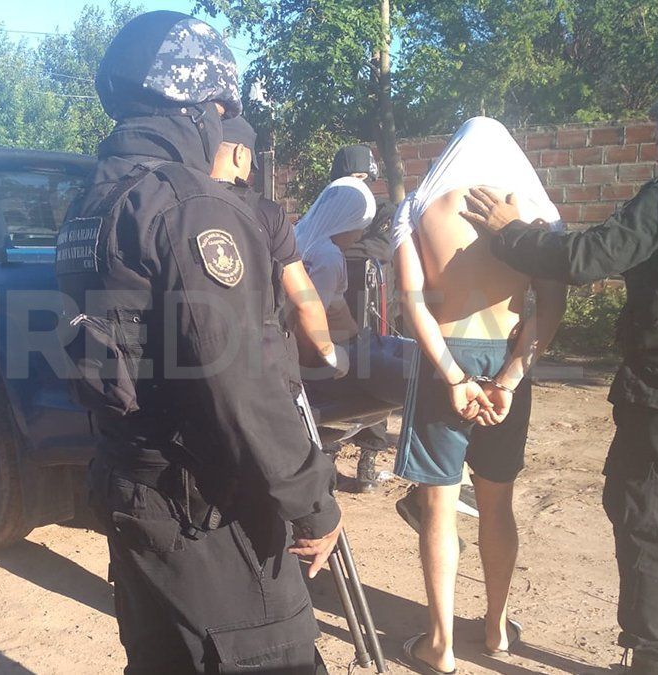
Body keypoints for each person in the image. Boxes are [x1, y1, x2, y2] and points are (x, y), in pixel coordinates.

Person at [56, 11, 342, 673]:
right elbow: (241, 382)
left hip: (135, 494)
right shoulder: (190, 206)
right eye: (218, 106)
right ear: (195, 108)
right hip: (209, 513)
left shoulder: (92, 204)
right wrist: (314, 502)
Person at [462, 84, 658, 675]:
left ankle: (654, 658)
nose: (655, 150)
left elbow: (584, 259)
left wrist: (510, 232)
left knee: (650, 522)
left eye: (656, 138)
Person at [393, 116, 568, 674]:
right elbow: (552, 305)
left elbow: (411, 300)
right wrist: (513, 375)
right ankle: (496, 627)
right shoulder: (534, 212)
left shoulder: (421, 206)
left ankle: (440, 645)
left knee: (439, 503)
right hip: (505, 359)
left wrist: (451, 374)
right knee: (497, 503)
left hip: (444, 355)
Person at [211, 116, 340, 376]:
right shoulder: (266, 213)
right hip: (259, 365)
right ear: (239, 154)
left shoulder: (172, 204)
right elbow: (304, 300)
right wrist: (331, 355)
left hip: (187, 361)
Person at [331, 145, 399, 491]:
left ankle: (369, 455)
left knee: (375, 368)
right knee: (329, 369)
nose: (357, 184)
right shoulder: (328, 206)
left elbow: (381, 249)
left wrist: (339, 248)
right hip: (332, 299)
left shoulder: (383, 209)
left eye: (362, 178)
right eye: (350, 177)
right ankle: (326, 453)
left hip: (371, 297)